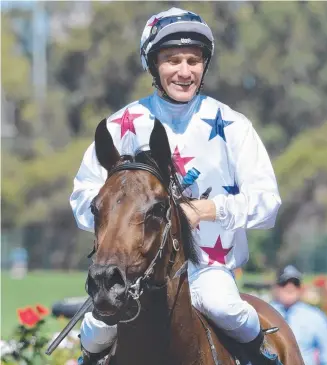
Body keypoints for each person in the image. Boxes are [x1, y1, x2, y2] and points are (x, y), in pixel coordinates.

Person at [70, 7, 282, 365]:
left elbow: (268, 202)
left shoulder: (233, 125)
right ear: (153, 66)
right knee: (95, 332)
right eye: (172, 60)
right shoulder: (122, 123)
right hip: (132, 271)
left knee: (227, 308)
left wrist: (211, 209)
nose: (184, 71)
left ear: (204, 65)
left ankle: (268, 357)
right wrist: (122, 217)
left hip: (209, 266)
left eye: (193, 60)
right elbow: (83, 198)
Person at [270, 265, 327, 365]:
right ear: (276, 287)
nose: (290, 287)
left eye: (295, 283)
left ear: (301, 288)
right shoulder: (263, 314)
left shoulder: (315, 317)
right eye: (284, 283)